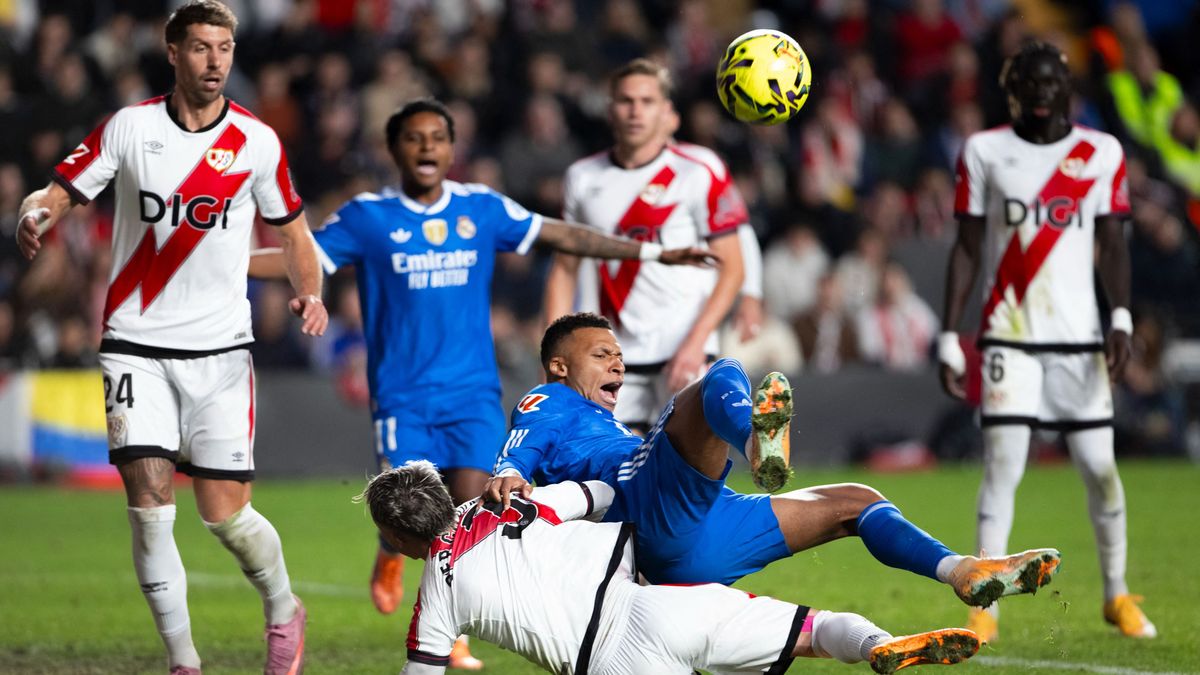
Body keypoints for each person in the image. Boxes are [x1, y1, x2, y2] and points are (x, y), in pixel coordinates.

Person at [249, 97, 712, 667]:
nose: (427, 146)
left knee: (470, 510)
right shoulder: (369, 217)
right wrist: (219, 260)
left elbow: (562, 235)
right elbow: (300, 256)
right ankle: (388, 550)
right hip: (403, 397)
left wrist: (653, 252)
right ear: (394, 149)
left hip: (472, 393)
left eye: (438, 137)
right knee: (408, 509)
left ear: (452, 148)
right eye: (414, 137)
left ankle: (452, 632)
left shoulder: (480, 209)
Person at [14, 3, 324, 673]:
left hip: (220, 353)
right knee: (150, 506)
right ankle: (184, 663)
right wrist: (34, 212)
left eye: (225, 48)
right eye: (202, 47)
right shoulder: (130, 128)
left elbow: (295, 234)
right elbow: (62, 189)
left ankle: (283, 609)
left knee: (225, 516)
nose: (215, 61)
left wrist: (312, 292)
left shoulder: (257, 142)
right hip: (135, 344)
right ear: (173, 51)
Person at [487, 313, 1061, 616]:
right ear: (559, 367)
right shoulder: (548, 398)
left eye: (618, 354)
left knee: (856, 502)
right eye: (601, 354)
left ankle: (961, 571)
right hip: (646, 505)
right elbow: (522, 444)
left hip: (696, 541)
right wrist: (510, 471)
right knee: (719, 374)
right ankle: (757, 443)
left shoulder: (598, 419)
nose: (617, 363)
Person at [360, 460, 983, 675]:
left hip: (610, 663)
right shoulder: (511, 504)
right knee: (812, 629)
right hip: (658, 602)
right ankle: (876, 643)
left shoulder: (436, 593)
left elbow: (423, 670)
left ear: (396, 536)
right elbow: (601, 493)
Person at [939, 41, 1155, 641]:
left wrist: (1120, 319)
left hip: (1079, 341)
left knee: (1100, 468)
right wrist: (950, 334)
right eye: (1026, 83)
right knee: (1003, 468)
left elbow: (1112, 243)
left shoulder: (1100, 152)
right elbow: (966, 248)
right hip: (1009, 337)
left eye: (1049, 82)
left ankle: (1116, 594)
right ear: (1010, 91)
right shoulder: (984, 151)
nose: (1039, 92)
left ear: (1067, 89)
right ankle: (985, 607)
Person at [544, 58, 747, 434]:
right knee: (612, 466)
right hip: (610, 354)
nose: (635, 111)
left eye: (647, 101)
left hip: (685, 348)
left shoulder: (697, 171)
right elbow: (564, 270)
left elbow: (733, 267)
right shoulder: (582, 178)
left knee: (688, 464)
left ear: (666, 111)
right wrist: (555, 353)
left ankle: (753, 435)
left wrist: (697, 342)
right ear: (610, 110)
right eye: (626, 101)